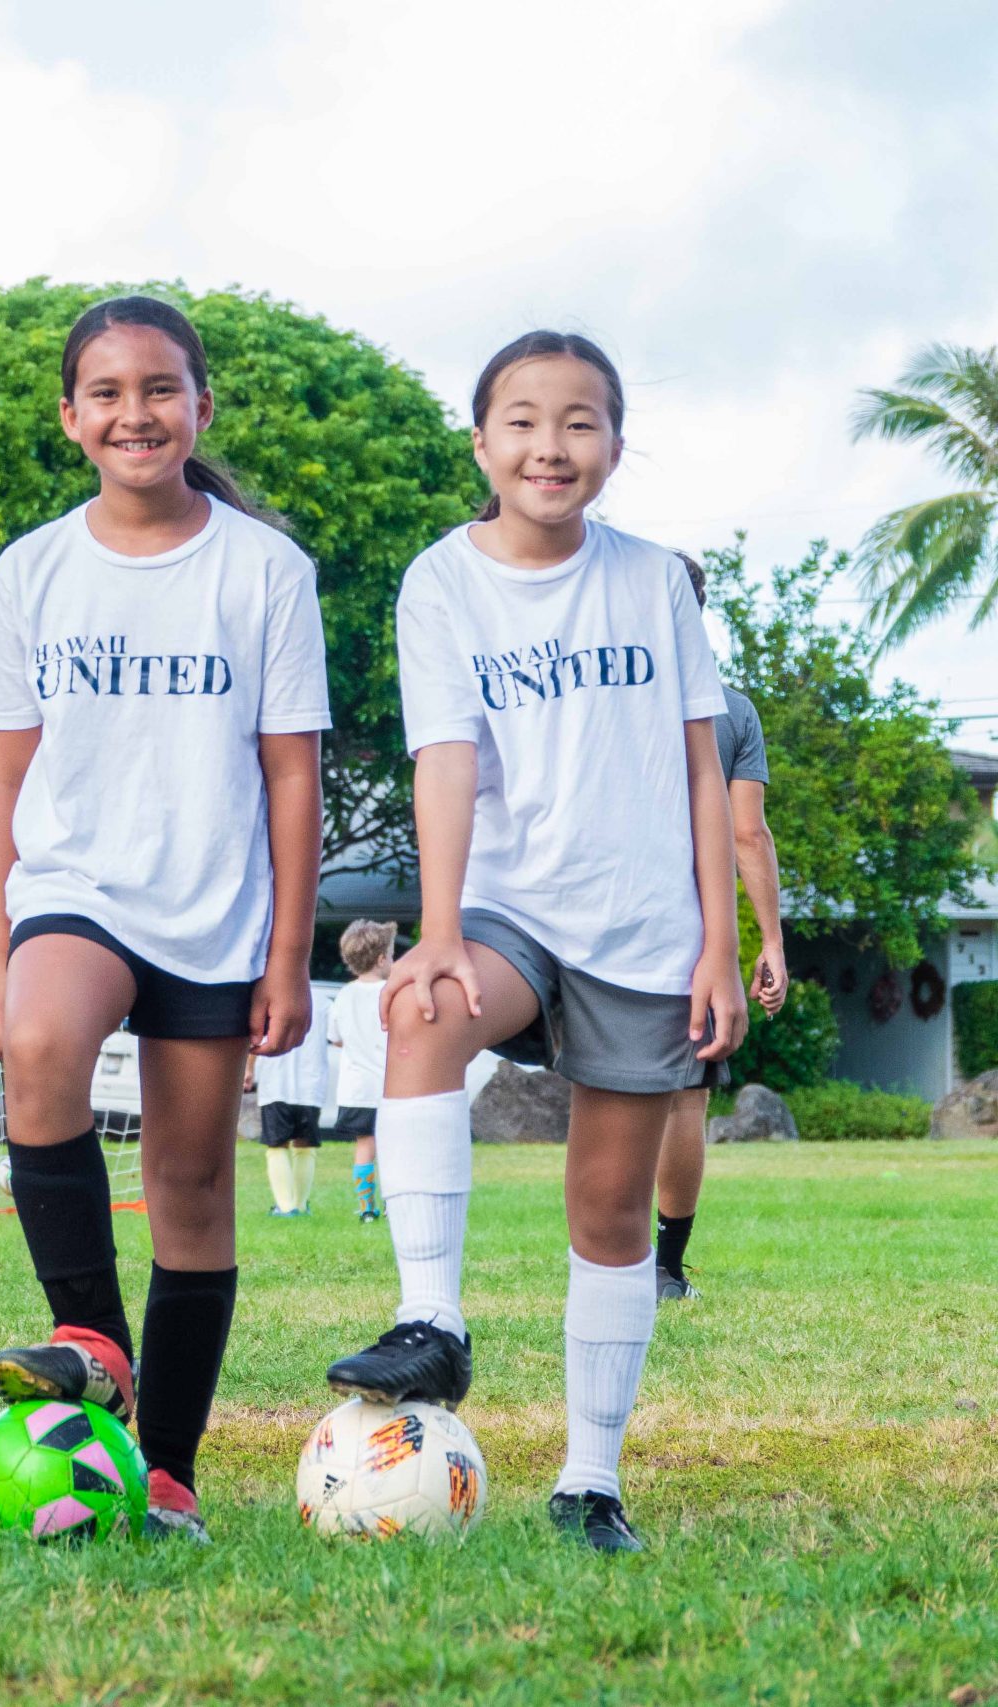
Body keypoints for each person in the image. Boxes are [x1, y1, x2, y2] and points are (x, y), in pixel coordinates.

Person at [320, 331, 747, 1554]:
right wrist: (439, 929)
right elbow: (444, 757)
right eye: (521, 420)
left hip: (643, 925)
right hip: (510, 909)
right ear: (482, 442)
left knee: (608, 1216)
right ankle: (431, 1323)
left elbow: (699, 768)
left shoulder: (654, 579)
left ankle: (588, 1481)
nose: (548, 445)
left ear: (613, 447)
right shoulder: (440, 580)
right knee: (418, 1010)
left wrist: (717, 945)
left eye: (578, 422)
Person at [0, 295, 330, 1542]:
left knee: (190, 1185)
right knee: (43, 1043)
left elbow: (293, 771)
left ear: (200, 408)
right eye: (109, 393)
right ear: (71, 418)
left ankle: (164, 1468)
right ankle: (89, 1340)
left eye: (161, 388)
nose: (137, 412)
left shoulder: (264, 570)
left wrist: (287, 953)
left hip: (216, 909)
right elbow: (4, 780)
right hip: (73, 888)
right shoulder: (31, 570)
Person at [654, 554, 789, 1300]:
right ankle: (667, 1268)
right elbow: (748, 833)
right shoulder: (731, 708)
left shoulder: (605, 694)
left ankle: (605, 1260)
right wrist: (768, 941)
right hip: (693, 929)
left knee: (604, 1091)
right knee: (685, 1098)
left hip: (596, 912)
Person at [327, 920, 397, 1222]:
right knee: (396, 1147)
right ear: (381, 959)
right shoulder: (391, 992)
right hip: (391, 1084)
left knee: (365, 1145)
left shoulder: (343, 995)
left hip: (356, 1087)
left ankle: (366, 1208)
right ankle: (396, 1204)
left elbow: (336, 1037)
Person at [250, 977, 330, 1217]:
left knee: (277, 1146)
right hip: (311, 1084)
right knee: (305, 1147)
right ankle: (301, 1204)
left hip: (275, 1082)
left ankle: (285, 1206)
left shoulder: (267, 995)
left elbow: (256, 1037)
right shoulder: (322, 1000)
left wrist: (248, 1069)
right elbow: (336, 1036)